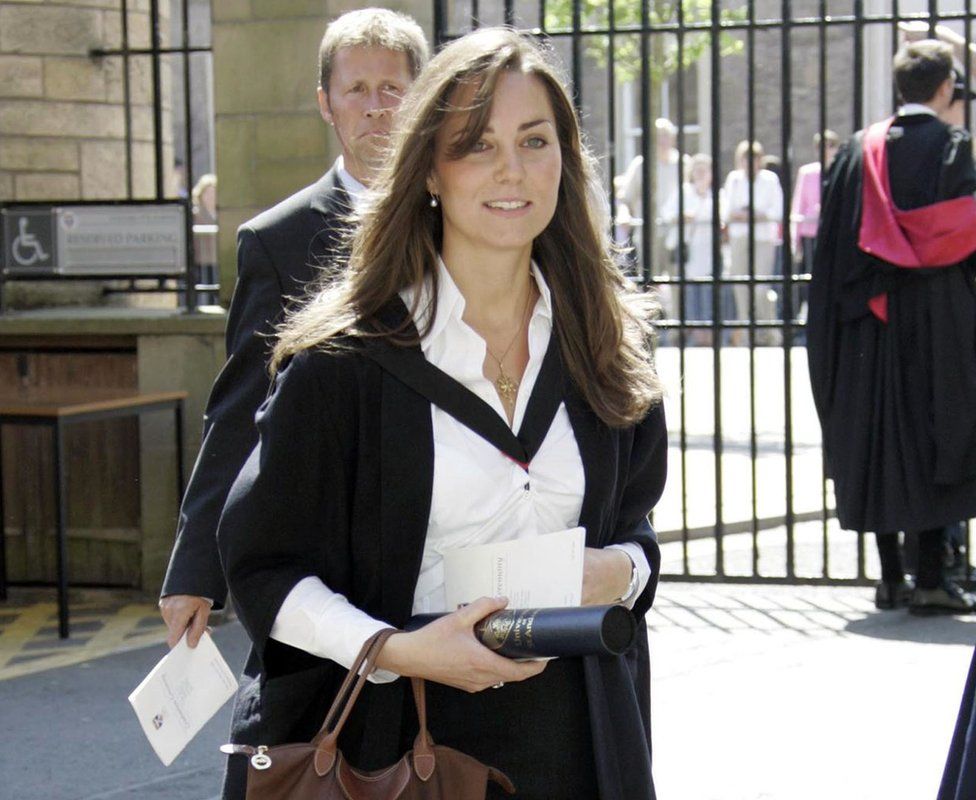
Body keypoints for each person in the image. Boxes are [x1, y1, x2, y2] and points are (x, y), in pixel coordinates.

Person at [217, 28, 667, 800]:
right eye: (476, 145)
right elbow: (263, 567)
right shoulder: (345, 363)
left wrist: (621, 573)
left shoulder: (605, 346)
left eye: (535, 140)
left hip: (580, 740)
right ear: (428, 167)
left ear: (566, 157)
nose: (512, 171)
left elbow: (636, 528)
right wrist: (397, 649)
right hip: (400, 744)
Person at [157, 8, 429, 647]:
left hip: (448, 534)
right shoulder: (278, 241)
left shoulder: (471, 220)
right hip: (329, 550)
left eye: (393, 88)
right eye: (356, 90)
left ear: (422, 99)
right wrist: (196, 566)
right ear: (326, 104)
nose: (376, 107)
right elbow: (240, 406)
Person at [807, 39, 976, 615]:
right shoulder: (956, 148)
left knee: (877, 441)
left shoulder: (857, 153)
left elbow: (829, 254)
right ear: (946, 88)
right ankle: (930, 578)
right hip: (939, 329)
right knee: (939, 438)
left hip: (866, 330)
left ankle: (889, 579)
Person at [722, 139, 783, 345]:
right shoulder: (734, 179)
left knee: (761, 285)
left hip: (763, 238)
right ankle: (747, 330)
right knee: (740, 283)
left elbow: (776, 211)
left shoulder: (770, 179)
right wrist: (750, 215)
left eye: (754, 158)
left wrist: (753, 215)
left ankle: (768, 329)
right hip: (740, 237)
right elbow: (727, 211)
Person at [660, 153, 723, 345]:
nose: (701, 174)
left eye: (705, 171)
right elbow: (667, 213)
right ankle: (685, 332)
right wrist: (683, 216)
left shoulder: (715, 195)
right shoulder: (683, 192)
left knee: (706, 290)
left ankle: (705, 333)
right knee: (684, 291)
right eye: (698, 170)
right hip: (686, 250)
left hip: (707, 250)